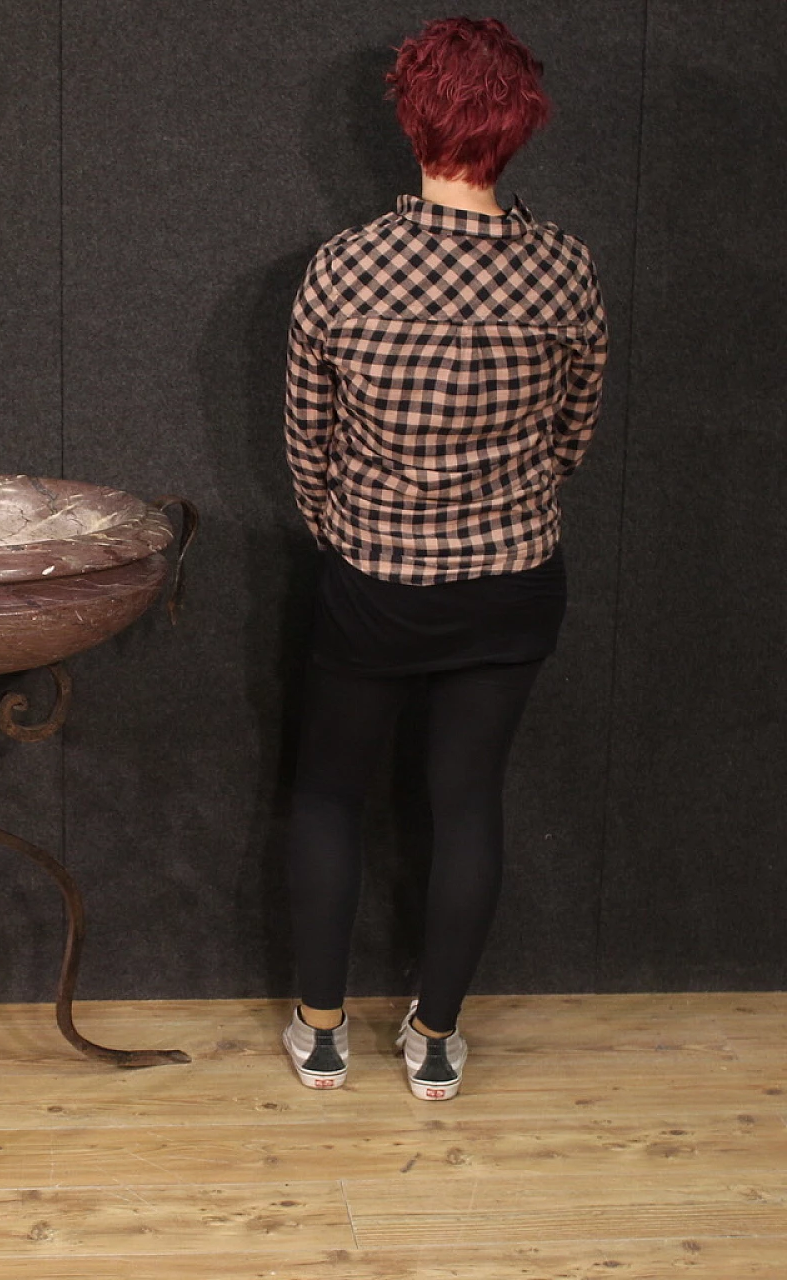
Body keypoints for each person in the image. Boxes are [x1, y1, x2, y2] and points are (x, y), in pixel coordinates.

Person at [280, 16, 607, 1098]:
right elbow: (571, 433)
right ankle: (430, 1041)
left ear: (412, 119)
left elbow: (306, 449)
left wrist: (361, 531)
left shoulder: (345, 268)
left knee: (329, 795)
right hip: (514, 578)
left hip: (372, 578)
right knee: (468, 800)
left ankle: (320, 1033)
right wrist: (505, 510)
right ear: (516, 129)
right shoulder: (562, 271)